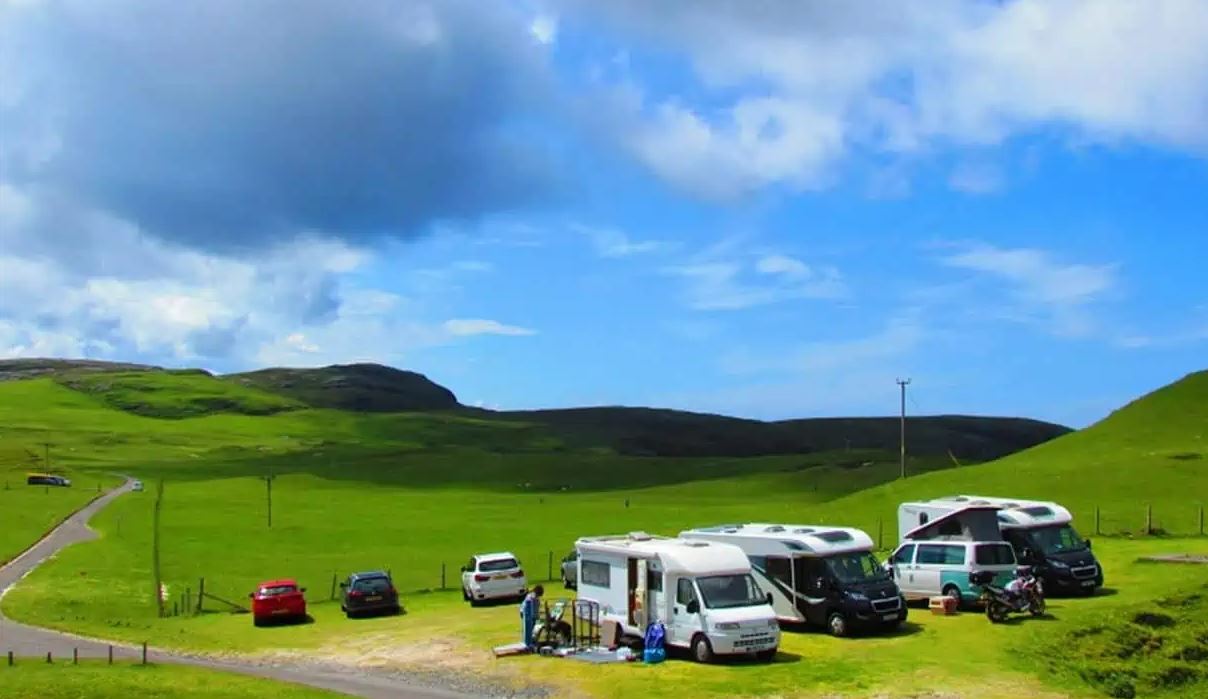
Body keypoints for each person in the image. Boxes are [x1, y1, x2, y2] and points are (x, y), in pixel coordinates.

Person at [520, 585, 544, 650]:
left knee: (528, 629)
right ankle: (529, 643)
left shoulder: (530, 596)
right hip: (530, 615)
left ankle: (528, 642)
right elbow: (535, 609)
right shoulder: (533, 597)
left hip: (528, 614)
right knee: (530, 629)